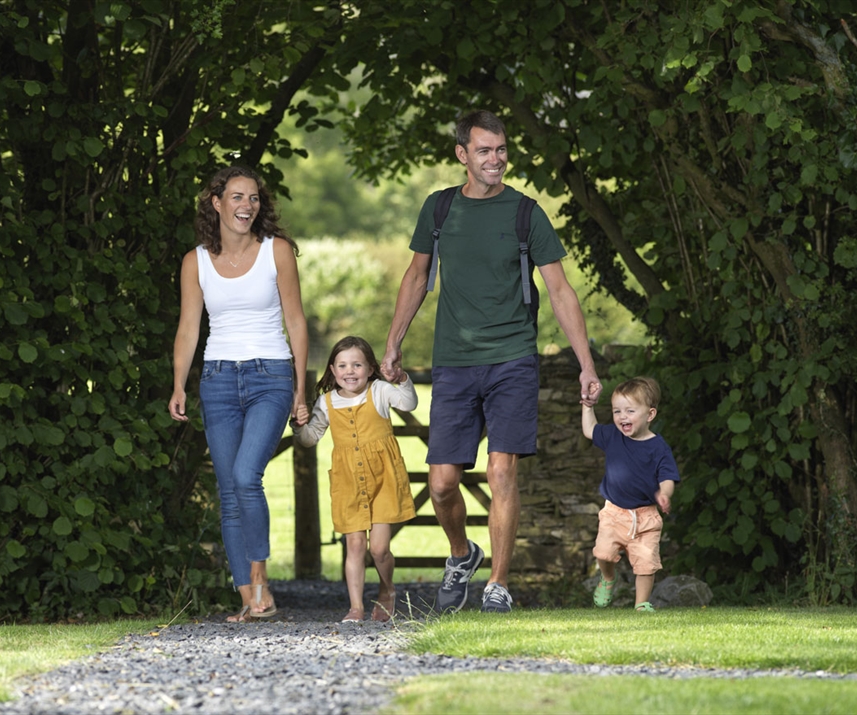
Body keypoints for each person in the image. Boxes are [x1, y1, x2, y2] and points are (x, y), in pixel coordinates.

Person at [380, 110, 602, 614]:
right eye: (484, 151)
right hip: (454, 362)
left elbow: (561, 292)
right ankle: (462, 554)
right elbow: (416, 279)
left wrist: (587, 365)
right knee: (440, 484)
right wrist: (393, 344)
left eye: (500, 150)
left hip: (512, 360)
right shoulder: (438, 211)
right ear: (462, 155)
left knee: (502, 474)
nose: (495, 159)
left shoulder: (526, 213)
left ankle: (498, 584)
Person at [169, 165, 310, 623]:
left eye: (253, 198)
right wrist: (178, 385)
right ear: (216, 203)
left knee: (248, 475)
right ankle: (248, 597)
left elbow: (296, 322)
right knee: (228, 490)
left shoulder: (278, 252)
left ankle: (261, 584)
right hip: (217, 380)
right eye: (236, 197)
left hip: (271, 376)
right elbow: (189, 328)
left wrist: (300, 388)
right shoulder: (196, 262)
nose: (246, 206)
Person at [292, 336, 417, 623]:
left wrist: (403, 377)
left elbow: (409, 404)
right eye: (343, 365)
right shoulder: (325, 403)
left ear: (371, 368)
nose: (350, 371)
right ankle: (356, 607)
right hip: (348, 482)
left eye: (357, 364)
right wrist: (299, 426)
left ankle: (387, 590)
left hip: (383, 478)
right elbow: (311, 438)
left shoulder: (381, 391)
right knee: (356, 545)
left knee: (379, 549)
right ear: (333, 371)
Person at [581, 377, 680, 612]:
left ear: (650, 414)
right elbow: (589, 430)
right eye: (617, 411)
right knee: (603, 553)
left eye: (630, 410)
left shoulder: (658, 447)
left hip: (646, 516)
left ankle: (641, 604)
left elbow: (668, 476)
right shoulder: (613, 436)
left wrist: (664, 494)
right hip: (614, 513)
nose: (622, 416)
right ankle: (607, 578)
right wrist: (587, 406)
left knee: (646, 564)